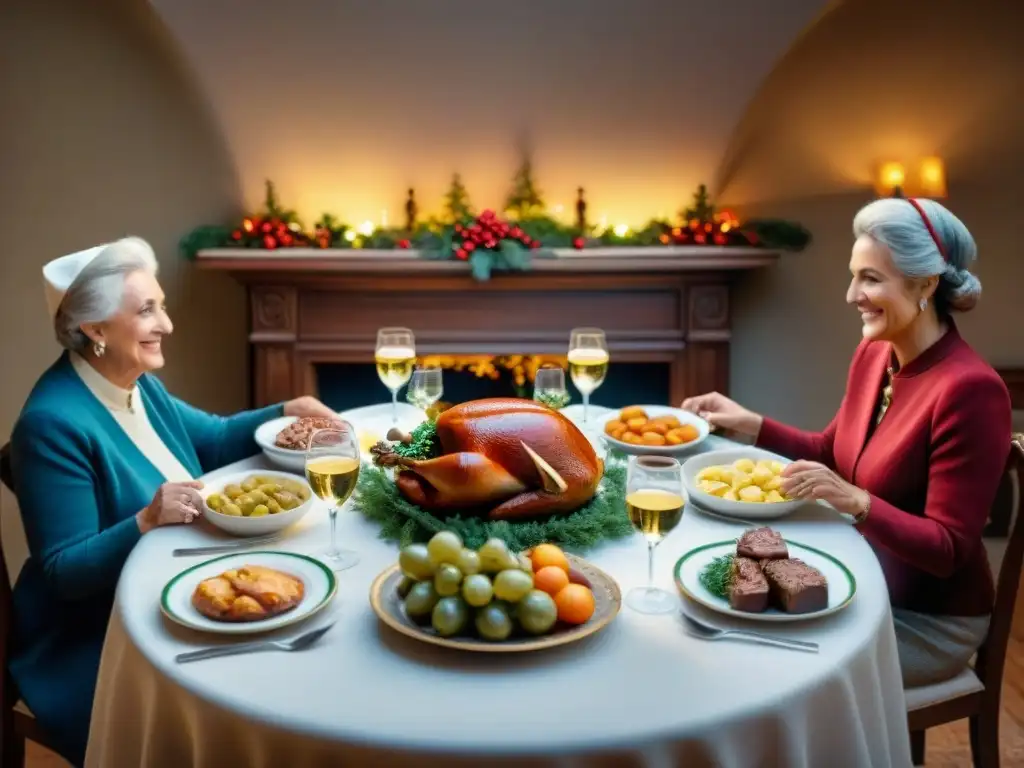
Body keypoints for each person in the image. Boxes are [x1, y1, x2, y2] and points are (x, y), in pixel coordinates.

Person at [8, 237, 338, 766]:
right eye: (146, 310)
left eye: (160, 305)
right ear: (94, 329)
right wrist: (145, 518)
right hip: (99, 635)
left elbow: (213, 437)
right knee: (265, 686)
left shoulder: (134, 381)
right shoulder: (51, 424)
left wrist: (287, 408)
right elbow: (61, 572)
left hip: (174, 588)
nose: (167, 324)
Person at [682, 198, 1011, 688]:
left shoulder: (970, 390)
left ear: (925, 284)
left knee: (756, 665)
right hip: (864, 585)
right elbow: (831, 452)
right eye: (855, 275)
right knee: (714, 626)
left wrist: (856, 501)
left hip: (926, 621)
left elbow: (949, 548)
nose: (852, 294)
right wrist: (748, 424)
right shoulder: (876, 353)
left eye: (871, 278)